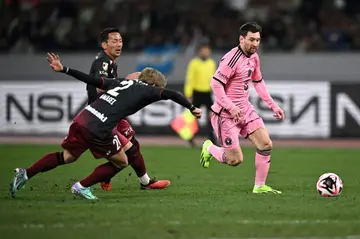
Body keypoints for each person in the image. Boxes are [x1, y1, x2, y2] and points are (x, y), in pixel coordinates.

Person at [10, 53, 202, 200]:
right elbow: (173, 95)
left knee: (68, 157)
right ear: (152, 84)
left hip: (83, 118)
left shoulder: (120, 82)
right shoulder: (147, 90)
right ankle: (82, 186)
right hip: (100, 128)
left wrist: (64, 69)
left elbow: (92, 80)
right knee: (121, 161)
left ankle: (26, 173)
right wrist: (192, 108)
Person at [199, 22, 285, 194]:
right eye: (251, 39)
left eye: (258, 40)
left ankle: (259, 186)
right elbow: (215, 85)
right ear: (241, 39)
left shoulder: (254, 57)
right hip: (225, 114)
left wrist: (273, 105)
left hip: (245, 109)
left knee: (266, 144)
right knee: (235, 160)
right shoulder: (231, 59)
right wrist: (231, 107)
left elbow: (258, 82)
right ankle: (209, 147)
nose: (255, 44)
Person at [87, 27, 169, 191]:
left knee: (132, 146)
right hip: (103, 115)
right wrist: (126, 81)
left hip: (111, 112)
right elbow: (100, 87)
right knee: (125, 153)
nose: (119, 44)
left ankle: (142, 181)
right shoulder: (102, 62)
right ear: (104, 45)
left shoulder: (109, 62)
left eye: (120, 41)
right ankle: (144, 182)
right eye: (114, 41)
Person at [184, 43, 217, 147]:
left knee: (211, 116)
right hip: (196, 92)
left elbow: (214, 78)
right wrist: (188, 94)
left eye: (208, 50)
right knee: (193, 116)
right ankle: (190, 138)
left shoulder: (211, 63)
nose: (206, 52)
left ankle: (212, 138)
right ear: (199, 51)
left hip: (207, 93)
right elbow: (190, 79)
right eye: (204, 50)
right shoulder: (194, 63)